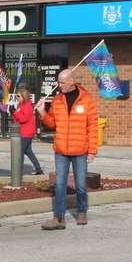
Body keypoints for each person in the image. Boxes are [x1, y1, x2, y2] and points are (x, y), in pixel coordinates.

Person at [35, 68, 98, 229]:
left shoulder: (86, 100)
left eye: (62, 82)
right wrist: (42, 112)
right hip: (61, 150)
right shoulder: (57, 100)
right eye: (58, 82)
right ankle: (59, 218)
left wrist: (92, 150)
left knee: (81, 185)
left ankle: (82, 211)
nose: (59, 85)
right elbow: (51, 124)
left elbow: (93, 127)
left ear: (71, 81)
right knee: (60, 185)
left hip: (80, 151)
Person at [10, 86, 44, 176]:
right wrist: (12, 112)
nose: (17, 98)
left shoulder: (28, 105)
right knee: (28, 152)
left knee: (19, 152)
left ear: (23, 96)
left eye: (18, 96)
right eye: (16, 96)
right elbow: (17, 118)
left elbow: (23, 119)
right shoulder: (20, 105)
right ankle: (38, 169)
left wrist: (15, 112)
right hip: (22, 131)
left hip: (26, 133)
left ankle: (17, 173)